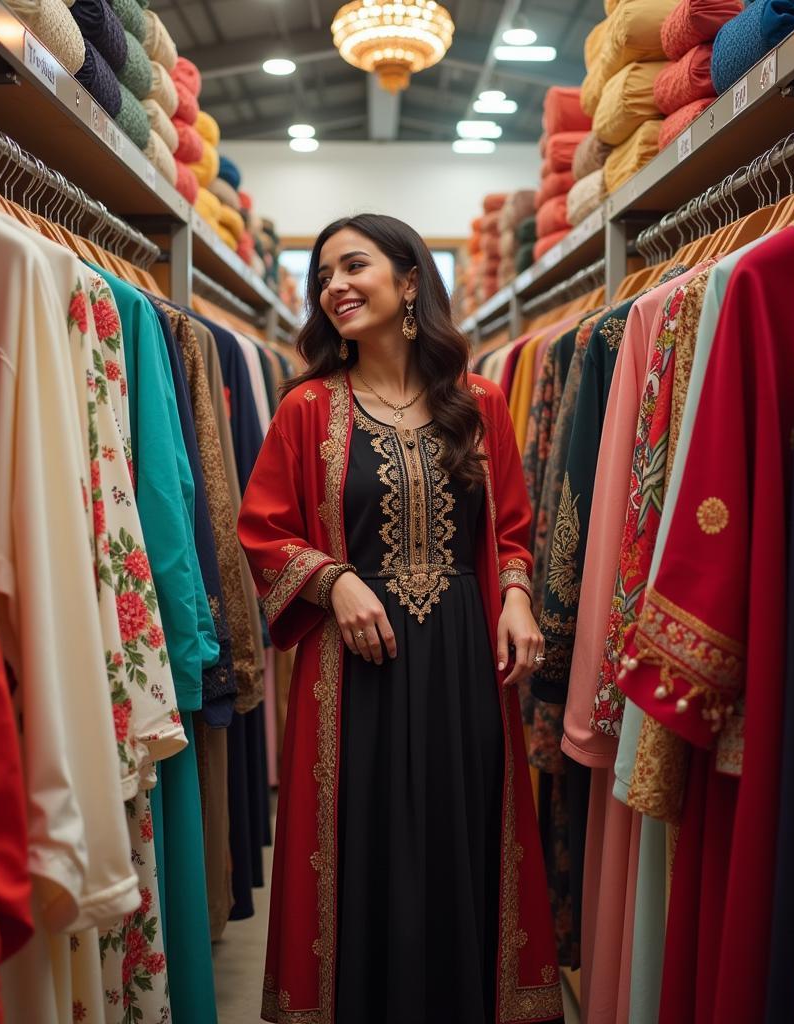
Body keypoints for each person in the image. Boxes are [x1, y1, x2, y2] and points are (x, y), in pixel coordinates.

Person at [238, 213, 563, 1024]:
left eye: (354, 266)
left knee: (464, 834)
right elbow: (260, 530)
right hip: (355, 671)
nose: (334, 287)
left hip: (462, 661)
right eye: (323, 277)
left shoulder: (481, 402)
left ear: (411, 279)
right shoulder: (307, 409)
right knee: (361, 845)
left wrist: (516, 596)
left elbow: (514, 526)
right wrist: (333, 581)